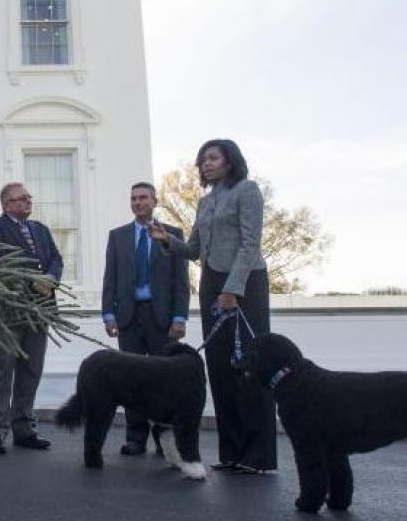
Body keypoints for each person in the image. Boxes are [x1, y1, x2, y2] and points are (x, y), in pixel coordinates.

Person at [148, 139, 277, 474]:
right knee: (219, 368)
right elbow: (193, 250)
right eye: (202, 160)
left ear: (229, 161)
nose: (206, 164)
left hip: (245, 283)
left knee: (248, 365)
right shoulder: (205, 202)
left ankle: (258, 457)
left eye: (212, 158)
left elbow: (250, 244)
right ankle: (231, 453)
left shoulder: (247, 191)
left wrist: (233, 289)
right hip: (210, 284)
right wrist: (166, 241)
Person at [100, 181, 190, 456]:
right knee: (132, 379)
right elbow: (110, 278)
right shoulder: (118, 236)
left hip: (161, 317)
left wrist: (179, 317)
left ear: (154, 201)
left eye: (143, 198)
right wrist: (108, 314)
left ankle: (164, 439)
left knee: (164, 379)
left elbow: (180, 280)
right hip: (129, 317)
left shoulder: (172, 234)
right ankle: (135, 438)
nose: (138, 202)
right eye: (134, 198)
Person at [0, 182, 63, 455]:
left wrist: (50, 278)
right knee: (2, 371)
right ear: (7, 204)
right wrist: (32, 282)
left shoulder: (41, 230)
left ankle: (24, 428)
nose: (28, 201)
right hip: (8, 312)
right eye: (22, 198)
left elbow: (56, 259)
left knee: (31, 371)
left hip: (40, 311)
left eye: (29, 197)